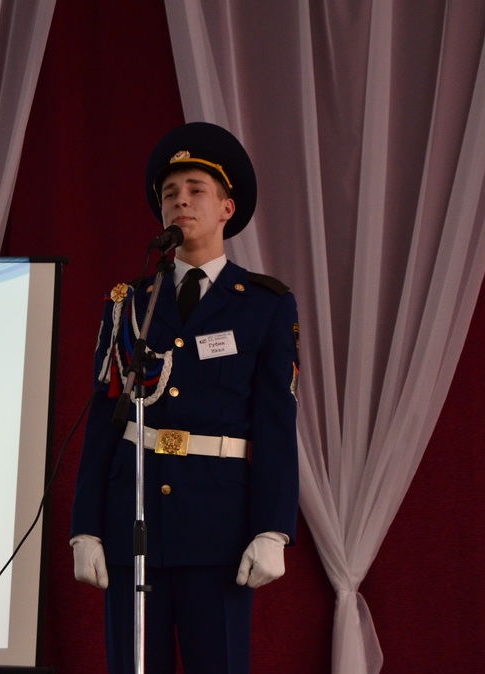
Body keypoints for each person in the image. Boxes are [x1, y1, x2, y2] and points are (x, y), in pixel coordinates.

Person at [70, 121, 299, 674]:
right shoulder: (131, 302)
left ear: (226, 209)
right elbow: (105, 416)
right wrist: (86, 526)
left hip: (218, 527)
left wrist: (273, 528)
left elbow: (275, 423)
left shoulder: (264, 304)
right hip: (133, 519)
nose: (181, 201)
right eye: (170, 193)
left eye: (197, 190)